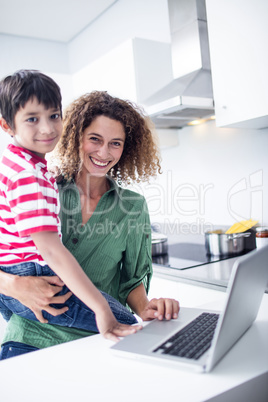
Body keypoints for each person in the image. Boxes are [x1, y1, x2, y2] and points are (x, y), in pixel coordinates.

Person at [0, 89, 180, 360]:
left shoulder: (132, 207)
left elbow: (131, 280)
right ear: (76, 137)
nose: (104, 152)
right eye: (94, 139)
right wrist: (13, 285)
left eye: (115, 143)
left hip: (101, 339)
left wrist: (147, 309)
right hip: (30, 338)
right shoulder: (40, 188)